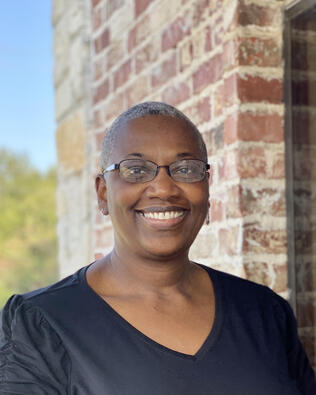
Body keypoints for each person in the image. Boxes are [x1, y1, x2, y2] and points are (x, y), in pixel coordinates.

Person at [0, 102, 315, 395]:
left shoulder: (265, 313)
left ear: (206, 186)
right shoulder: (40, 326)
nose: (164, 188)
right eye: (136, 170)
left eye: (185, 169)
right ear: (102, 193)